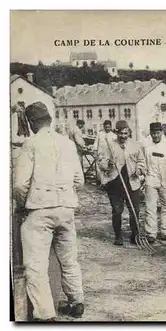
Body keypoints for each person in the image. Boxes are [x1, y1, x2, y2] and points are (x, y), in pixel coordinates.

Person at [13, 102, 85, 320]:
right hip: (66, 209)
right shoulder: (67, 143)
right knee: (69, 258)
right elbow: (79, 181)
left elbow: (19, 185)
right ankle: (77, 301)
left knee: (35, 265)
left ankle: (45, 315)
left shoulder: (30, 144)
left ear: (32, 123)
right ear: (49, 120)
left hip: (40, 209)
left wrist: (24, 205)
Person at [97, 120, 146, 246]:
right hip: (115, 183)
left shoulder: (136, 145)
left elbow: (142, 162)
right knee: (117, 211)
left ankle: (135, 235)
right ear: (116, 133)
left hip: (132, 182)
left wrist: (139, 169)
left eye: (125, 133)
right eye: (121, 134)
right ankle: (118, 236)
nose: (123, 136)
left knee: (134, 210)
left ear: (129, 132)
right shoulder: (108, 145)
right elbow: (100, 162)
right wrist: (108, 164)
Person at [142, 122, 166, 243]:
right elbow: (142, 162)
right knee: (150, 207)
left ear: (161, 132)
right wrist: (143, 175)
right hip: (151, 178)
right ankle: (151, 233)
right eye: (153, 133)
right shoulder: (146, 146)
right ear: (150, 133)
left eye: (157, 133)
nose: (155, 135)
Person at [93, 120, 117, 185]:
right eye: (106, 127)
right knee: (100, 169)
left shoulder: (114, 136)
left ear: (111, 127)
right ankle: (102, 183)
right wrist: (95, 152)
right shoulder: (100, 134)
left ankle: (109, 183)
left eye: (108, 127)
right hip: (101, 155)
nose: (107, 128)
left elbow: (115, 147)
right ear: (103, 127)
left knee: (110, 169)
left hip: (109, 155)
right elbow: (96, 144)